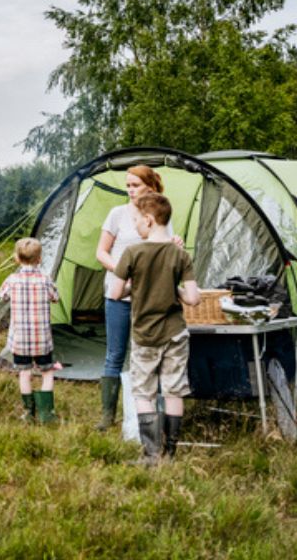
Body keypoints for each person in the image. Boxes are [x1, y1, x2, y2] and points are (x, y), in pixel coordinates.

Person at [108, 193, 200, 463]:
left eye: (137, 221)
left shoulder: (132, 252)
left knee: (144, 392)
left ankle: (151, 454)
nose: (136, 226)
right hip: (175, 333)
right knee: (173, 390)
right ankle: (170, 453)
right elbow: (193, 298)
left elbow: (115, 293)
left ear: (148, 220)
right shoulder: (180, 254)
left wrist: (133, 286)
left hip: (145, 335)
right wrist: (174, 290)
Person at [94, 165, 182, 431]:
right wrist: (122, 272)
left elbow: (164, 252)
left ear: (150, 187)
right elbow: (101, 252)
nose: (130, 190)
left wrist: (174, 245)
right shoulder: (117, 214)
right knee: (115, 353)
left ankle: (146, 415)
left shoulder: (158, 214)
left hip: (149, 299)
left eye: (135, 185)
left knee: (148, 354)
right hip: (118, 293)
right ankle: (107, 415)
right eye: (128, 185)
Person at [0, 237, 63, 424]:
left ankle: (28, 413)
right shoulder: (45, 280)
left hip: (20, 341)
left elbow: (2, 296)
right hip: (42, 340)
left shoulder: (12, 280)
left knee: (24, 374)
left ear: (17, 259)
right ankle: (47, 413)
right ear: (40, 259)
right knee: (47, 372)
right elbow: (56, 298)